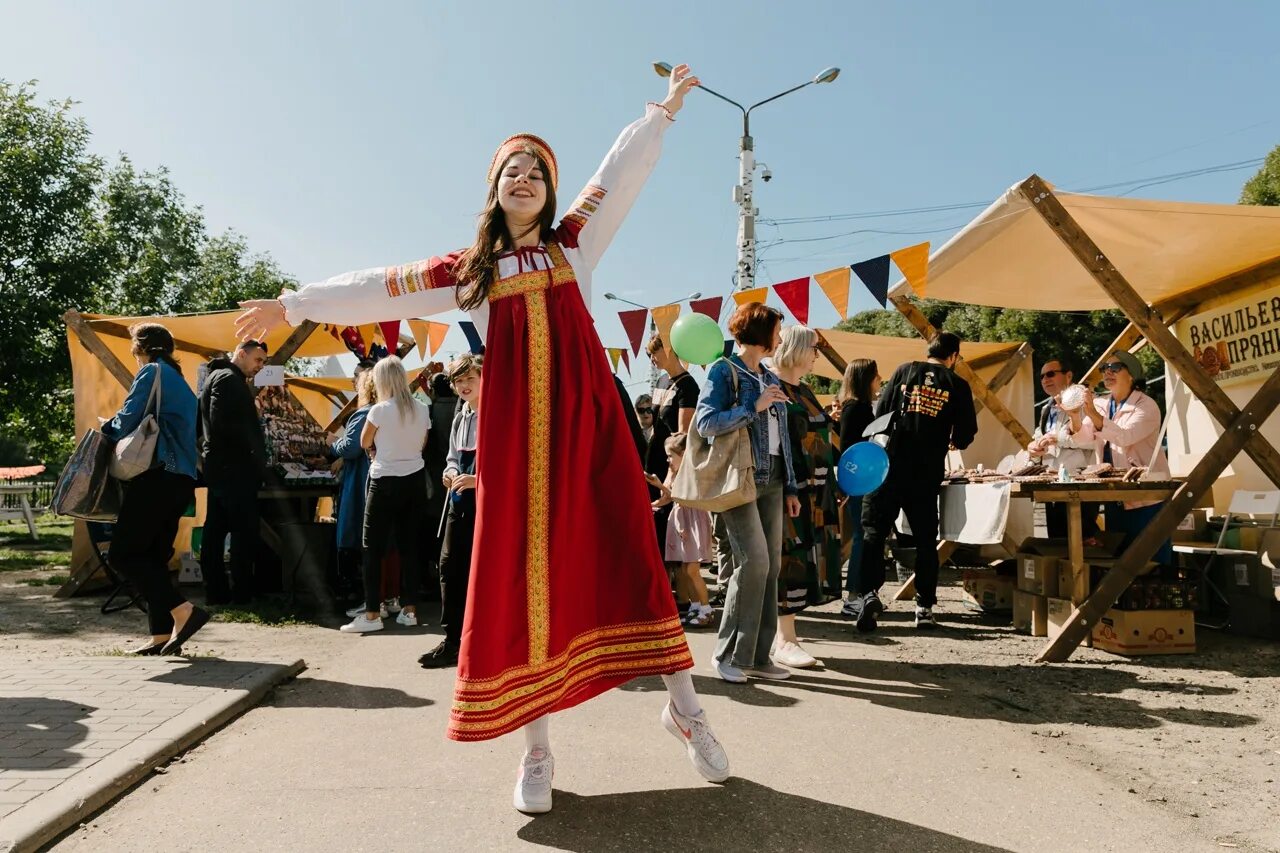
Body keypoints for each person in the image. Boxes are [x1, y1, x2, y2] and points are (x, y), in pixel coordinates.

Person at [234, 65, 729, 814]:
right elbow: (381, 284)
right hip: (519, 441)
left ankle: (685, 708)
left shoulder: (574, 243)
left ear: (551, 191)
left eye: (535, 171)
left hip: (589, 423)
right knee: (521, 578)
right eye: (511, 170)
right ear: (493, 187)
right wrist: (293, 302)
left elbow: (618, 174)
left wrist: (659, 114)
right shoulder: (470, 271)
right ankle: (537, 752)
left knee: (631, 551)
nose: (523, 177)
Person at [695, 302, 801, 684]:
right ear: (759, 331)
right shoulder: (724, 370)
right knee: (753, 562)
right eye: (776, 330)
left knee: (769, 567)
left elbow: (781, 439)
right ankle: (728, 655)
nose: (779, 337)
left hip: (772, 481)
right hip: (740, 480)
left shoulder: (767, 373)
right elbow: (706, 422)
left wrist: (789, 485)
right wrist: (753, 406)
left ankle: (757, 655)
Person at [851, 332, 978, 631]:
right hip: (925, 473)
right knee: (924, 541)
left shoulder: (904, 371)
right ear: (954, 356)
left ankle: (869, 595)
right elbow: (965, 434)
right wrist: (949, 438)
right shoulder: (957, 385)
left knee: (874, 534)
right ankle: (924, 607)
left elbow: (880, 415)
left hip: (888, 468)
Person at [101, 323, 209, 655]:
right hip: (180, 481)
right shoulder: (179, 381)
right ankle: (162, 635)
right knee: (153, 556)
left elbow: (129, 417)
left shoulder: (152, 372)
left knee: (124, 553)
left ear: (140, 347)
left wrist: (104, 428)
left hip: (158, 476)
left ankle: (184, 611)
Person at [340, 356, 430, 634]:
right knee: (409, 546)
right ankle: (409, 609)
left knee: (372, 547)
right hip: (413, 479)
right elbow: (422, 443)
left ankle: (370, 614)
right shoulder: (421, 409)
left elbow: (364, 441)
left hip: (384, 480)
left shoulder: (379, 410)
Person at [770, 325, 841, 669]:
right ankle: (785, 639)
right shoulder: (773, 387)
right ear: (797, 348)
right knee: (790, 559)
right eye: (813, 348)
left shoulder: (806, 390)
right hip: (793, 489)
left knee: (806, 557)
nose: (816, 355)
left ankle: (783, 636)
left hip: (818, 490)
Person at [1079, 350, 1173, 564]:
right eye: (1104, 368)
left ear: (1132, 374)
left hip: (1146, 497)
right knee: (1120, 562)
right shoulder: (1102, 403)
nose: (1107, 373)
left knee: (1151, 561)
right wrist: (1075, 414)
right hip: (1116, 496)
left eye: (1115, 368)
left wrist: (1092, 413)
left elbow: (1124, 437)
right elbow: (1083, 438)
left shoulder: (1146, 405)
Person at [421, 354, 483, 668]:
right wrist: (450, 471)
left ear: (484, 379)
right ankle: (453, 639)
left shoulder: (495, 416)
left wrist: (479, 479)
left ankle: (480, 642)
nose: (464, 385)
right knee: (449, 568)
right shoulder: (461, 416)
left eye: (470, 378)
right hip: (458, 504)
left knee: (481, 574)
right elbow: (452, 456)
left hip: (487, 506)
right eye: (459, 380)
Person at [198, 339, 269, 605]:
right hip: (233, 468)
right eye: (258, 360)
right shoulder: (228, 379)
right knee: (240, 532)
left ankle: (217, 592)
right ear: (241, 354)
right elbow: (221, 424)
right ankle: (239, 592)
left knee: (216, 530)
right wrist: (250, 451)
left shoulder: (221, 377)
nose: (260, 367)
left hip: (223, 466)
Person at [1027, 357, 1099, 539]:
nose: (1045, 379)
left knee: (1082, 543)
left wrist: (1057, 439)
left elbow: (1094, 438)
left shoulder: (1087, 400)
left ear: (1068, 376)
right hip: (1052, 484)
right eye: (1042, 376)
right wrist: (1034, 448)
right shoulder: (1046, 408)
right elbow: (1038, 437)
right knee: (1057, 545)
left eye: (1051, 374)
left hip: (1080, 485)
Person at [650, 432, 714, 628]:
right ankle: (695, 606)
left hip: (693, 520)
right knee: (686, 570)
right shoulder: (678, 473)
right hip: (683, 520)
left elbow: (680, 497)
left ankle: (706, 609)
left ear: (684, 454)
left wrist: (659, 485)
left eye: (671, 456)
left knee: (693, 570)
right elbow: (668, 498)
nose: (668, 460)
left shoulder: (693, 473)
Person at [836, 359, 880, 620]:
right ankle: (854, 596)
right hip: (861, 483)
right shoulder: (856, 409)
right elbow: (849, 451)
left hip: (862, 481)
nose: (880, 379)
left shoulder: (856, 407)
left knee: (862, 538)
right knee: (862, 539)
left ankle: (859, 593)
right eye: (875, 375)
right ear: (866, 379)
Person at [330, 369, 375, 604]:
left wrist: (333, 445)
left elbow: (350, 447)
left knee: (352, 531)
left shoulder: (364, 414)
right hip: (376, 478)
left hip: (359, 480)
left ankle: (351, 592)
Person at [648, 334, 699, 434]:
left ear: (668, 349)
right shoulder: (661, 381)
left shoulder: (688, 386)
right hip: (653, 448)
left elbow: (683, 434)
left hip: (670, 449)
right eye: (650, 354)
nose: (651, 358)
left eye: (654, 352)